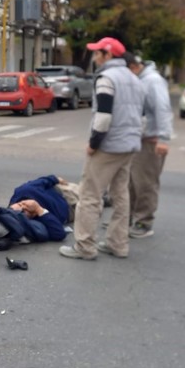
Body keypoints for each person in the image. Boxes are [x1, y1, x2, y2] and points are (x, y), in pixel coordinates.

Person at [59, 37, 144, 261]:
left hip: (109, 145)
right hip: (129, 144)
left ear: (108, 54)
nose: (95, 57)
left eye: (98, 53)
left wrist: (94, 143)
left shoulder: (107, 78)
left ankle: (85, 246)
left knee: (89, 195)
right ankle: (118, 244)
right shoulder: (134, 78)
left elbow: (104, 116)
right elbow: (140, 114)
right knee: (120, 195)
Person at [124, 52, 173, 238]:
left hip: (150, 140)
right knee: (131, 182)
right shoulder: (141, 79)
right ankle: (128, 218)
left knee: (145, 183)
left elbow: (163, 109)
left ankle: (144, 223)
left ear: (133, 67)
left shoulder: (153, 81)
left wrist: (164, 139)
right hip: (138, 139)